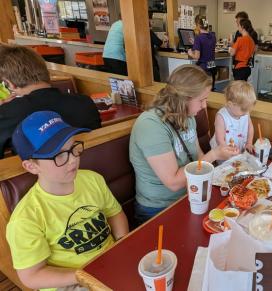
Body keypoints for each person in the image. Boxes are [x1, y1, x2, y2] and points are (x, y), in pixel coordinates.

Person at [6, 111, 129, 290]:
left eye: (73, 148)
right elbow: (32, 276)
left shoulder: (92, 179)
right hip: (70, 281)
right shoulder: (25, 219)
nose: (73, 160)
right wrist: (83, 276)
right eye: (59, 155)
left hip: (109, 261)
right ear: (31, 166)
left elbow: (114, 213)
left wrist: (122, 243)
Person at [129, 65, 238, 224]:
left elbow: (198, 156)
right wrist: (214, 154)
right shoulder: (150, 125)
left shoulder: (188, 116)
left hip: (192, 194)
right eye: (202, 100)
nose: (204, 106)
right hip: (159, 208)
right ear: (183, 98)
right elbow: (173, 182)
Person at [0, 45, 101, 159]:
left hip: (37, 175)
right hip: (92, 167)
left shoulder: (7, 113)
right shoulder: (85, 102)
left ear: (10, 83)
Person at [210, 80, 256, 154]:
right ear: (230, 104)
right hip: (223, 151)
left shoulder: (245, 112)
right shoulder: (221, 116)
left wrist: (249, 142)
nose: (246, 113)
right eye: (243, 109)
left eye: (247, 110)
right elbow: (220, 140)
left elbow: (250, 127)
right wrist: (228, 152)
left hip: (238, 150)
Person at [188, 16, 216, 90]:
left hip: (203, 67)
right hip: (212, 65)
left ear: (198, 25)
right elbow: (206, 45)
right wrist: (195, 43)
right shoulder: (213, 36)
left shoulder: (198, 38)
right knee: (210, 88)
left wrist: (190, 53)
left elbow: (197, 56)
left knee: (203, 89)